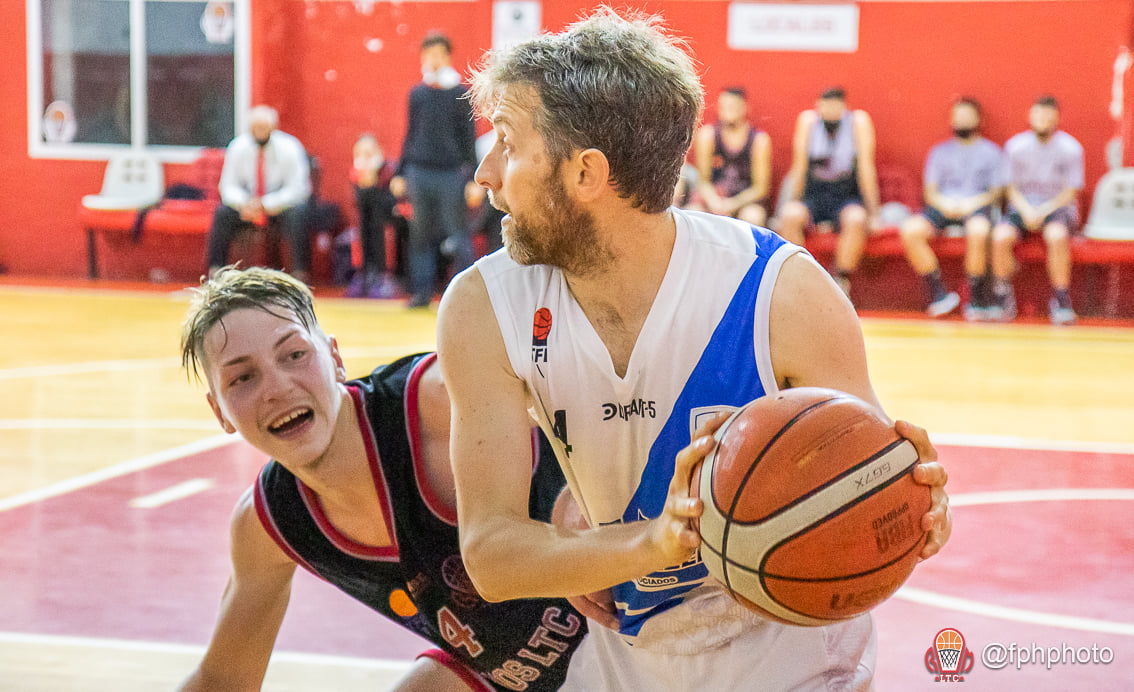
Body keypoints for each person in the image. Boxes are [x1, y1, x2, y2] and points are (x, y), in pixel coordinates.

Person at [437, 9, 951, 691]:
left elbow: (870, 484)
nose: (485, 172)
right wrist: (634, 546)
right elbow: (494, 557)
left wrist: (913, 510)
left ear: (587, 173)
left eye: (506, 140)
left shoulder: (780, 291)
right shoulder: (482, 307)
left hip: (798, 660)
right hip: (624, 660)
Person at [176, 266, 585, 691]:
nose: (277, 387)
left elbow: (598, 394)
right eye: (242, 377)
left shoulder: (438, 403)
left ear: (334, 359)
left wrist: (579, 494)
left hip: (631, 616)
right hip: (526, 677)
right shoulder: (270, 523)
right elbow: (221, 680)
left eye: (294, 355)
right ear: (219, 411)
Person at [390, 33, 479, 309]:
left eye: (438, 53)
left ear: (447, 56)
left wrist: (474, 178)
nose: (433, 59)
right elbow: (410, 134)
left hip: (451, 174)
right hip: (419, 172)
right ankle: (421, 293)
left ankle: (469, 295)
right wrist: (400, 173)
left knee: (458, 234)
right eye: (428, 54)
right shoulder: (417, 93)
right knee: (419, 235)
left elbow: (468, 138)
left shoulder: (460, 94)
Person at [899, 98, 1005, 319]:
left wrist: (970, 204)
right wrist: (945, 205)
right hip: (943, 207)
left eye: (967, 116)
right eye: (958, 116)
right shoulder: (939, 152)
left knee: (979, 231)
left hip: (976, 206)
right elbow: (931, 192)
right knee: (910, 230)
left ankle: (975, 299)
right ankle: (938, 294)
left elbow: (996, 193)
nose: (962, 121)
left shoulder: (991, 152)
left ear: (978, 119)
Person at [777, 87, 881, 297]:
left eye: (836, 106)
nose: (831, 111)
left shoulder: (858, 122)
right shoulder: (808, 122)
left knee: (856, 219)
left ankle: (840, 281)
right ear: (818, 105)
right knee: (790, 215)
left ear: (844, 107)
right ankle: (799, 281)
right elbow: (799, 168)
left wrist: (874, 213)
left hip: (845, 194)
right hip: (815, 193)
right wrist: (786, 206)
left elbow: (866, 168)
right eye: (826, 106)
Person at [991, 95, 1084, 325]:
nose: (1042, 119)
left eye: (1047, 115)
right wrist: (1026, 210)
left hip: (1055, 208)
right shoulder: (1015, 147)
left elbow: (1071, 191)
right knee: (1000, 237)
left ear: (1056, 118)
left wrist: (1043, 211)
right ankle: (1003, 296)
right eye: (1038, 115)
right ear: (1030, 117)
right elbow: (1010, 188)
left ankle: (1061, 300)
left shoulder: (1071, 148)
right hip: (1022, 207)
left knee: (1056, 236)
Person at [206, 105, 311, 282]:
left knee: (298, 215)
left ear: (273, 127)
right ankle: (217, 273)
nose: (260, 132)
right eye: (256, 127)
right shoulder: (237, 147)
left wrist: (266, 204)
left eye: (264, 127)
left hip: (279, 207)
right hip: (247, 206)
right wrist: (245, 203)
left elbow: (299, 189)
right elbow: (227, 186)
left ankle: (300, 275)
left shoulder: (290, 148)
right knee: (222, 214)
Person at [686, 87, 772, 226]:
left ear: (744, 107)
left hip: (744, 200)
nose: (727, 111)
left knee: (753, 217)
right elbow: (703, 181)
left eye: (732, 107)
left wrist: (732, 204)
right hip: (714, 198)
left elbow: (760, 188)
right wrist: (715, 202)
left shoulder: (759, 140)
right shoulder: (708, 135)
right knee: (693, 213)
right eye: (723, 106)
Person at [347, 133, 400, 298]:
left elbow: (389, 204)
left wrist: (374, 179)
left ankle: (383, 275)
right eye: (360, 153)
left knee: (379, 225)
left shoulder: (388, 171)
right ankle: (364, 273)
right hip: (367, 223)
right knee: (362, 228)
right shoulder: (356, 174)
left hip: (389, 219)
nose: (364, 158)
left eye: (368, 153)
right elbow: (358, 205)